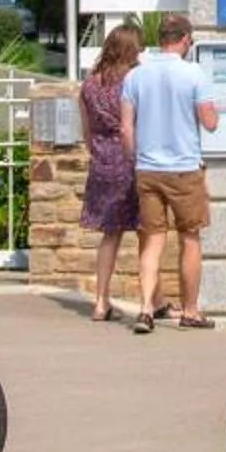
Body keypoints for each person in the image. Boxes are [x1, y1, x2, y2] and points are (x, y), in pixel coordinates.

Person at [120, 10, 220, 333]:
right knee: (190, 237)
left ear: (161, 40)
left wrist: (137, 159)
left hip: (147, 169)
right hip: (184, 169)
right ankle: (190, 310)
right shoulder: (194, 75)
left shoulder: (135, 76)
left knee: (152, 241)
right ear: (185, 40)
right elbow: (210, 123)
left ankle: (147, 309)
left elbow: (125, 129)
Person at [78, 21, 142, 322]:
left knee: (110, 235)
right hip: (131, 158)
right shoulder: (133, 80)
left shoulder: (90, 83)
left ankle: (101, 301)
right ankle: (151, 302)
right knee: (147, 230)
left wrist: (98, 152)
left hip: (102, 161)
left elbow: (87, 131)